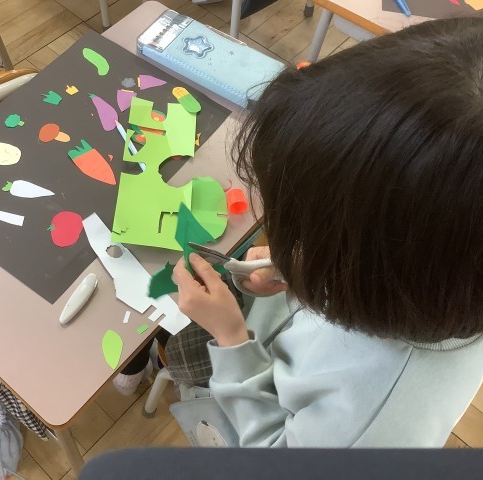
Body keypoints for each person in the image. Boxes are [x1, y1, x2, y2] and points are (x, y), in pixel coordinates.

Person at [170, 16, 483, 448]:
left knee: (180, 360)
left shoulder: (364, 431)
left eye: (311, 229)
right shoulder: (446, 270)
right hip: (271, 341)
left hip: (253, 409)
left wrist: (231, 340)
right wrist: (296, 271)